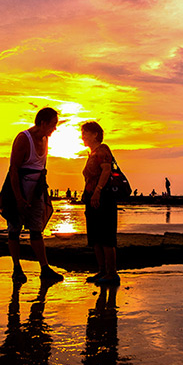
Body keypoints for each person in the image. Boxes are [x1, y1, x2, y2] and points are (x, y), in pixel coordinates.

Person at [0, 107, 64, 282]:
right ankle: (17, 269)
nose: (55, 128)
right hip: (18, 189)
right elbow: (14, 170)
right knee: (14, 229)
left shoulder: (46, 139)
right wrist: (18, 198)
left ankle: (45, 269)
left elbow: (41, 167)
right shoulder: (23, 139)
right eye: (53, 124)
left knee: (36, 229)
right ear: (43, 122)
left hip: (37, 190)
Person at [81, 121, 120, 285]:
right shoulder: (92, 152)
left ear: (95, 134)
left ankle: (111, 273)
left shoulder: (103, 150)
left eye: (86, 133)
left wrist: (97, 191)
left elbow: (106, 170)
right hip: (92, 198)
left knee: (106, 236)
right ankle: (102, 270)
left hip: (103, 198)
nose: (83, 137)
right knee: (96, 236)